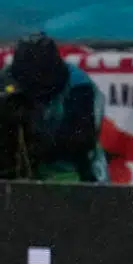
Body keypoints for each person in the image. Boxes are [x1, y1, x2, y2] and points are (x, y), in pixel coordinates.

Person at [0, 33, 108, 182]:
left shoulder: (79, 87)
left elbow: (82, 140)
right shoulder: (7, 79)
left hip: (73, 169)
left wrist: (36, 140)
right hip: (17, 170)